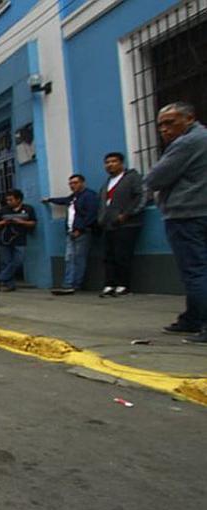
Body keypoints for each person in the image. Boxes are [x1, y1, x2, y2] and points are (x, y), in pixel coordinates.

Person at [143, 102, 207, 345]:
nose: (164, 130)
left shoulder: (186, 143)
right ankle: (192, 317)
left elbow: (154, 178)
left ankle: (200, 320)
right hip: (199, 212)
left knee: (195, 271)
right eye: (160, 125)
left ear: (189, 118)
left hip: (187, 214)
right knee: (198, 269)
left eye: (170, 123)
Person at [97, 152, 146, 298]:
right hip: (108, 225)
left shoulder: (132, 178)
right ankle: (109, 284)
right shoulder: (106, 183)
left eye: (114, 161)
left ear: (121, 163)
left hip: (127, 224)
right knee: (109, 256)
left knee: (122, 255)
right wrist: (101, 219)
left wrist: (127, 214)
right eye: (107, 162)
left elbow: (141, 196)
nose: (110, 165)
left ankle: (123, 284)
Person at [44, 174, 99, 295]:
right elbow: (63, 200)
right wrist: (49, 200)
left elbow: (91, 214)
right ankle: (68, 283)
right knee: (69, 258)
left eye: (75, 183)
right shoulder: (73, 197)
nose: (72, 185)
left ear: (82, 183)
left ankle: (73, 284)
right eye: (70, 183)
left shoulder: (89, 196)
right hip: (71, 232)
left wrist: (81, 229)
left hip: (82, 232)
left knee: (78, 258)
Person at [0, 189, 37, 292]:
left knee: (18, 260)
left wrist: (21, 222)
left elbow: (33, 223)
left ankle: (0, 278)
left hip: (19, 239)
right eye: (7, 200)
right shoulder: (3, 210)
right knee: (6, 261)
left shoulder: (28, 209)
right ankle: (9, 284)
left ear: (18, 199)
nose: (9, 202)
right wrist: (4, 222)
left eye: (11, 200)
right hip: (4, 239)